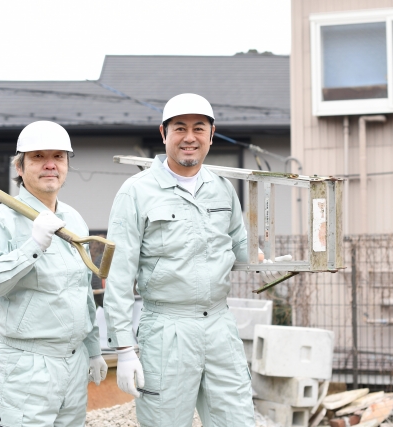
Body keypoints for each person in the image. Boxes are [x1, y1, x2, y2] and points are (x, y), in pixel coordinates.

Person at [103, 94, 288, 427]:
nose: (190, 137)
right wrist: (124, 349)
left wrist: (265, 258)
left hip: (219, 325)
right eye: (180, 128)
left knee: (237, 419)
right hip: (166, 329)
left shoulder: (221, 188)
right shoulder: (137, 191)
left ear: (211, 134)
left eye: (199, 128)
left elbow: (238, 242)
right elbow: (116, 275)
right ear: (164, 133)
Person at [0, 121, 107, 427]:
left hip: (73, 364)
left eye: (58, 157)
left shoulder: (74, 219)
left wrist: (94, 348)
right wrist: (32, 246)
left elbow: (82, 290)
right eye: (38, 157)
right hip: (26, 367)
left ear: (67, 165)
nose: (50, 165)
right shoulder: (2, 219)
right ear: (19, 167)